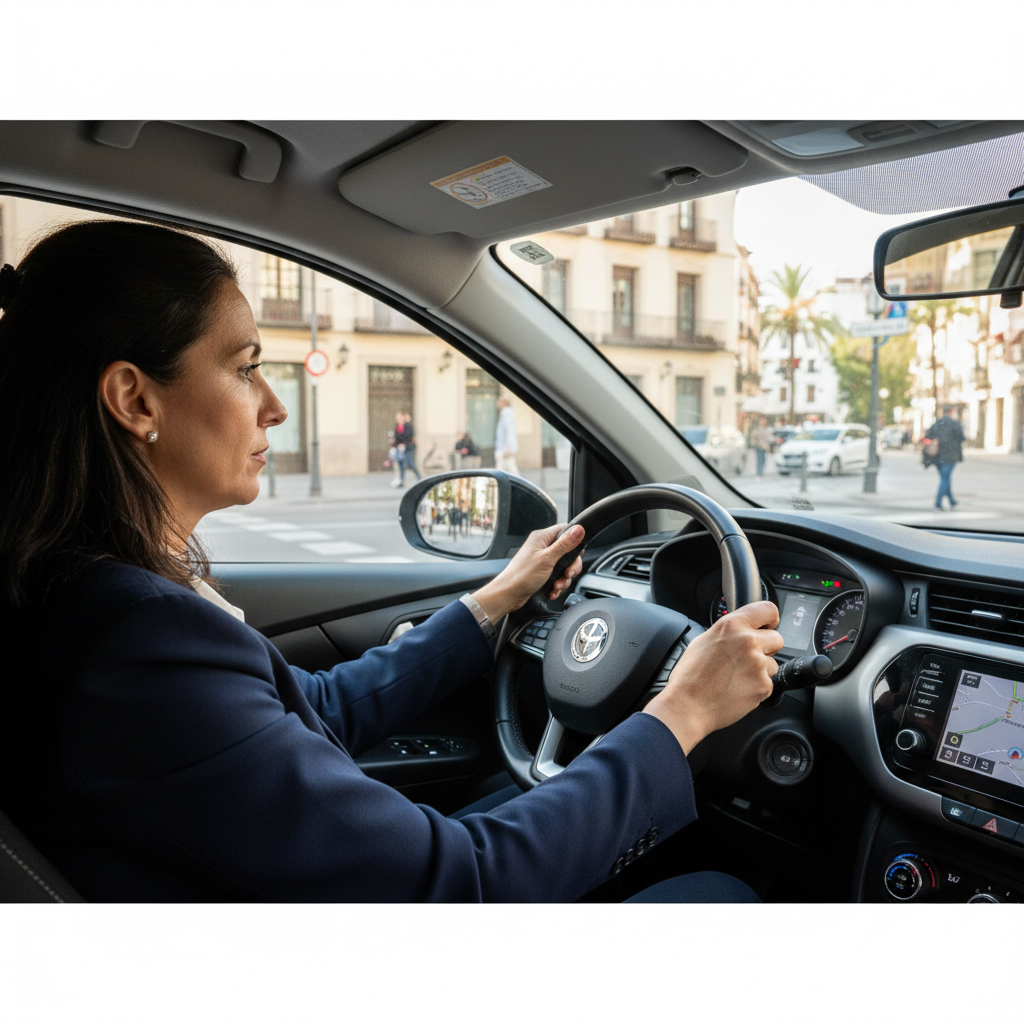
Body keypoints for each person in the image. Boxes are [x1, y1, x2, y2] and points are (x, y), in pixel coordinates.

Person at [0, 221, 782, 902]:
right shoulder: (137, 643)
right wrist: (681, 713)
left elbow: (314, 711)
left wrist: (492, 604)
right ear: (136, 400)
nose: (272, 404)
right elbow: (459, 885)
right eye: (243, 368)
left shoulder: (85, 595)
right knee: (723, 895)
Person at [923, 405, 965, 510]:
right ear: (951, 411)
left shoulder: (937, 423)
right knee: (945, 479)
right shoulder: (954, 424)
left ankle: (951, 501)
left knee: (945, 478)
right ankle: (938, 503)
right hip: (950, 456)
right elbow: (962, 438)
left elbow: (927, 436)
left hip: (937, 456)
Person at [495, 396, 519, 474]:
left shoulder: (506, 412)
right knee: (508, 470)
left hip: (504, 449)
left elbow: (509, 430)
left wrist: (507, 447)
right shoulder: (505, 413)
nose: (497, 404)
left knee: (504, 471)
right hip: (503, 448)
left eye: (499, 402)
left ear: (503, 403)